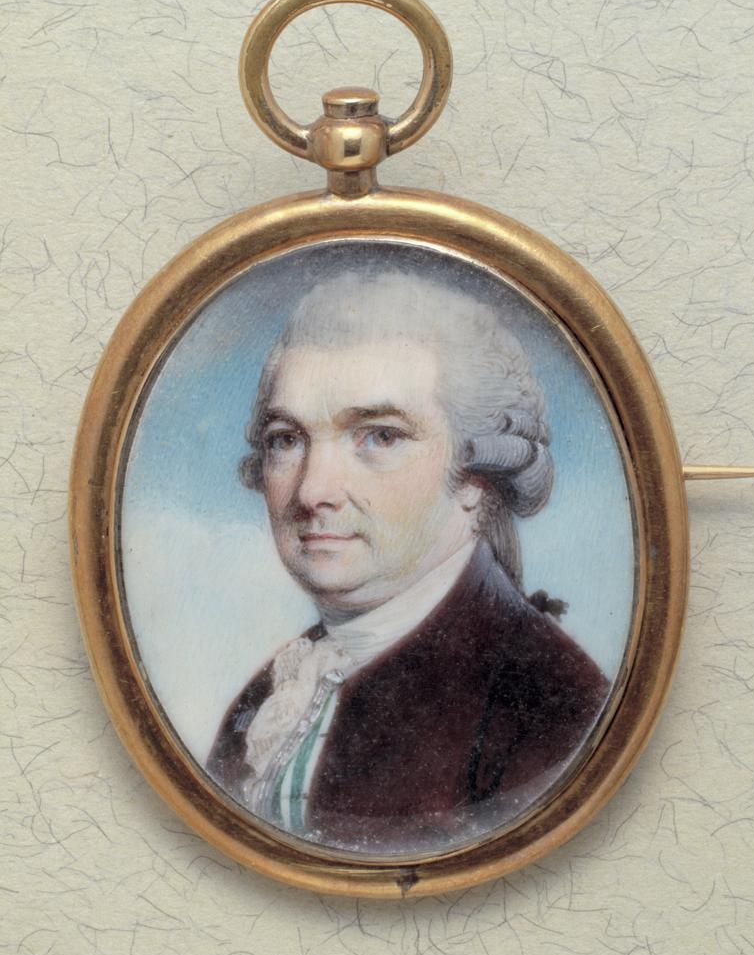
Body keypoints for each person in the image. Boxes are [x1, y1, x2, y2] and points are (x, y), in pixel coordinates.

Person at [207, 271, 609, 853]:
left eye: (380, 436)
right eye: (287, 439)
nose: (312, 491)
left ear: (474, 477)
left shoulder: (549, 708)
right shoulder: (276, 692)